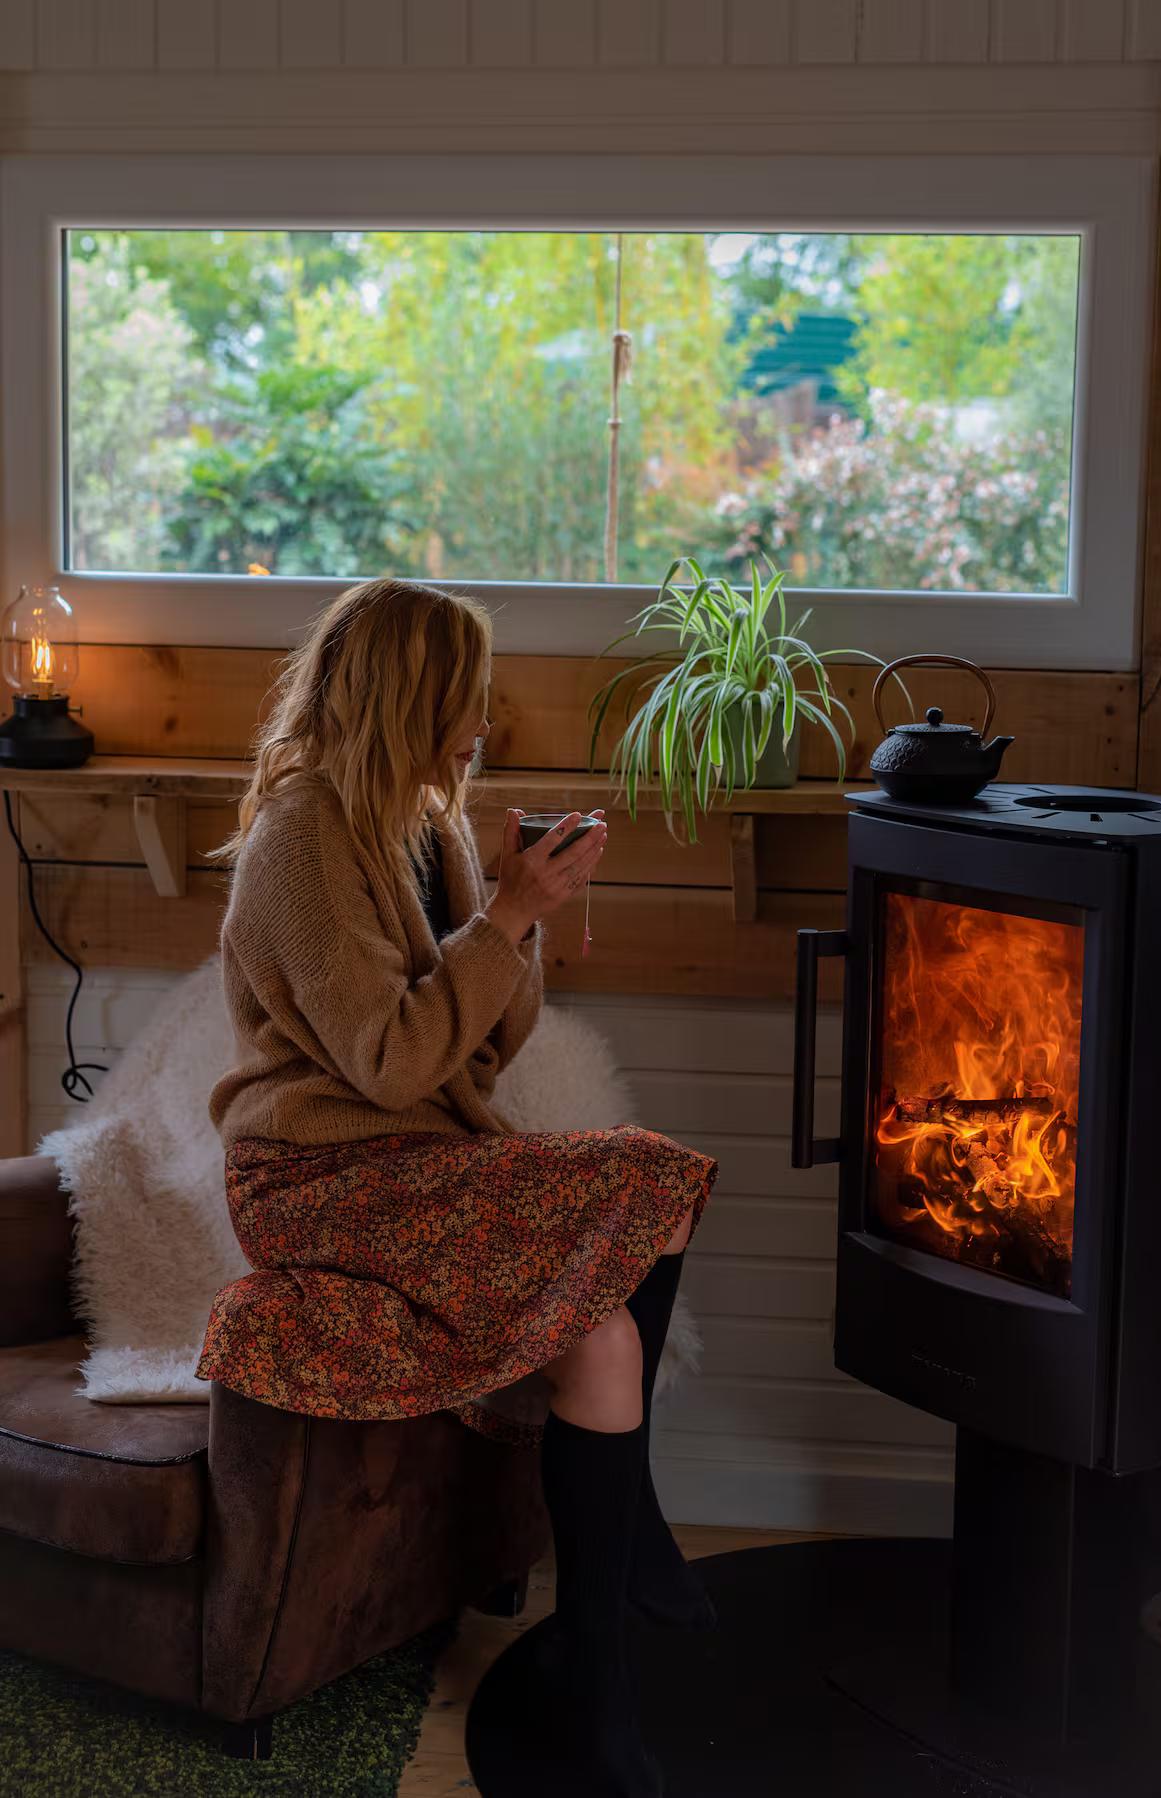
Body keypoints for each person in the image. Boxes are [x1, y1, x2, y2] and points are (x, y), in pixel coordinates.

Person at [194, 577, 718, 1797]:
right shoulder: (301, 840)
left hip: (416, 1160)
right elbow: (391, 1061)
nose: (486, 718)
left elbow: (484, 1043)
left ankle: (600, 1679)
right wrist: (507, 919)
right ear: (410, 696)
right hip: (317, 1176)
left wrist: (518, 919)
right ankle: (632, 1544)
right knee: (645, 1172)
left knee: (601, 1343)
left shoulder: (420, 823)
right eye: (468, 696)